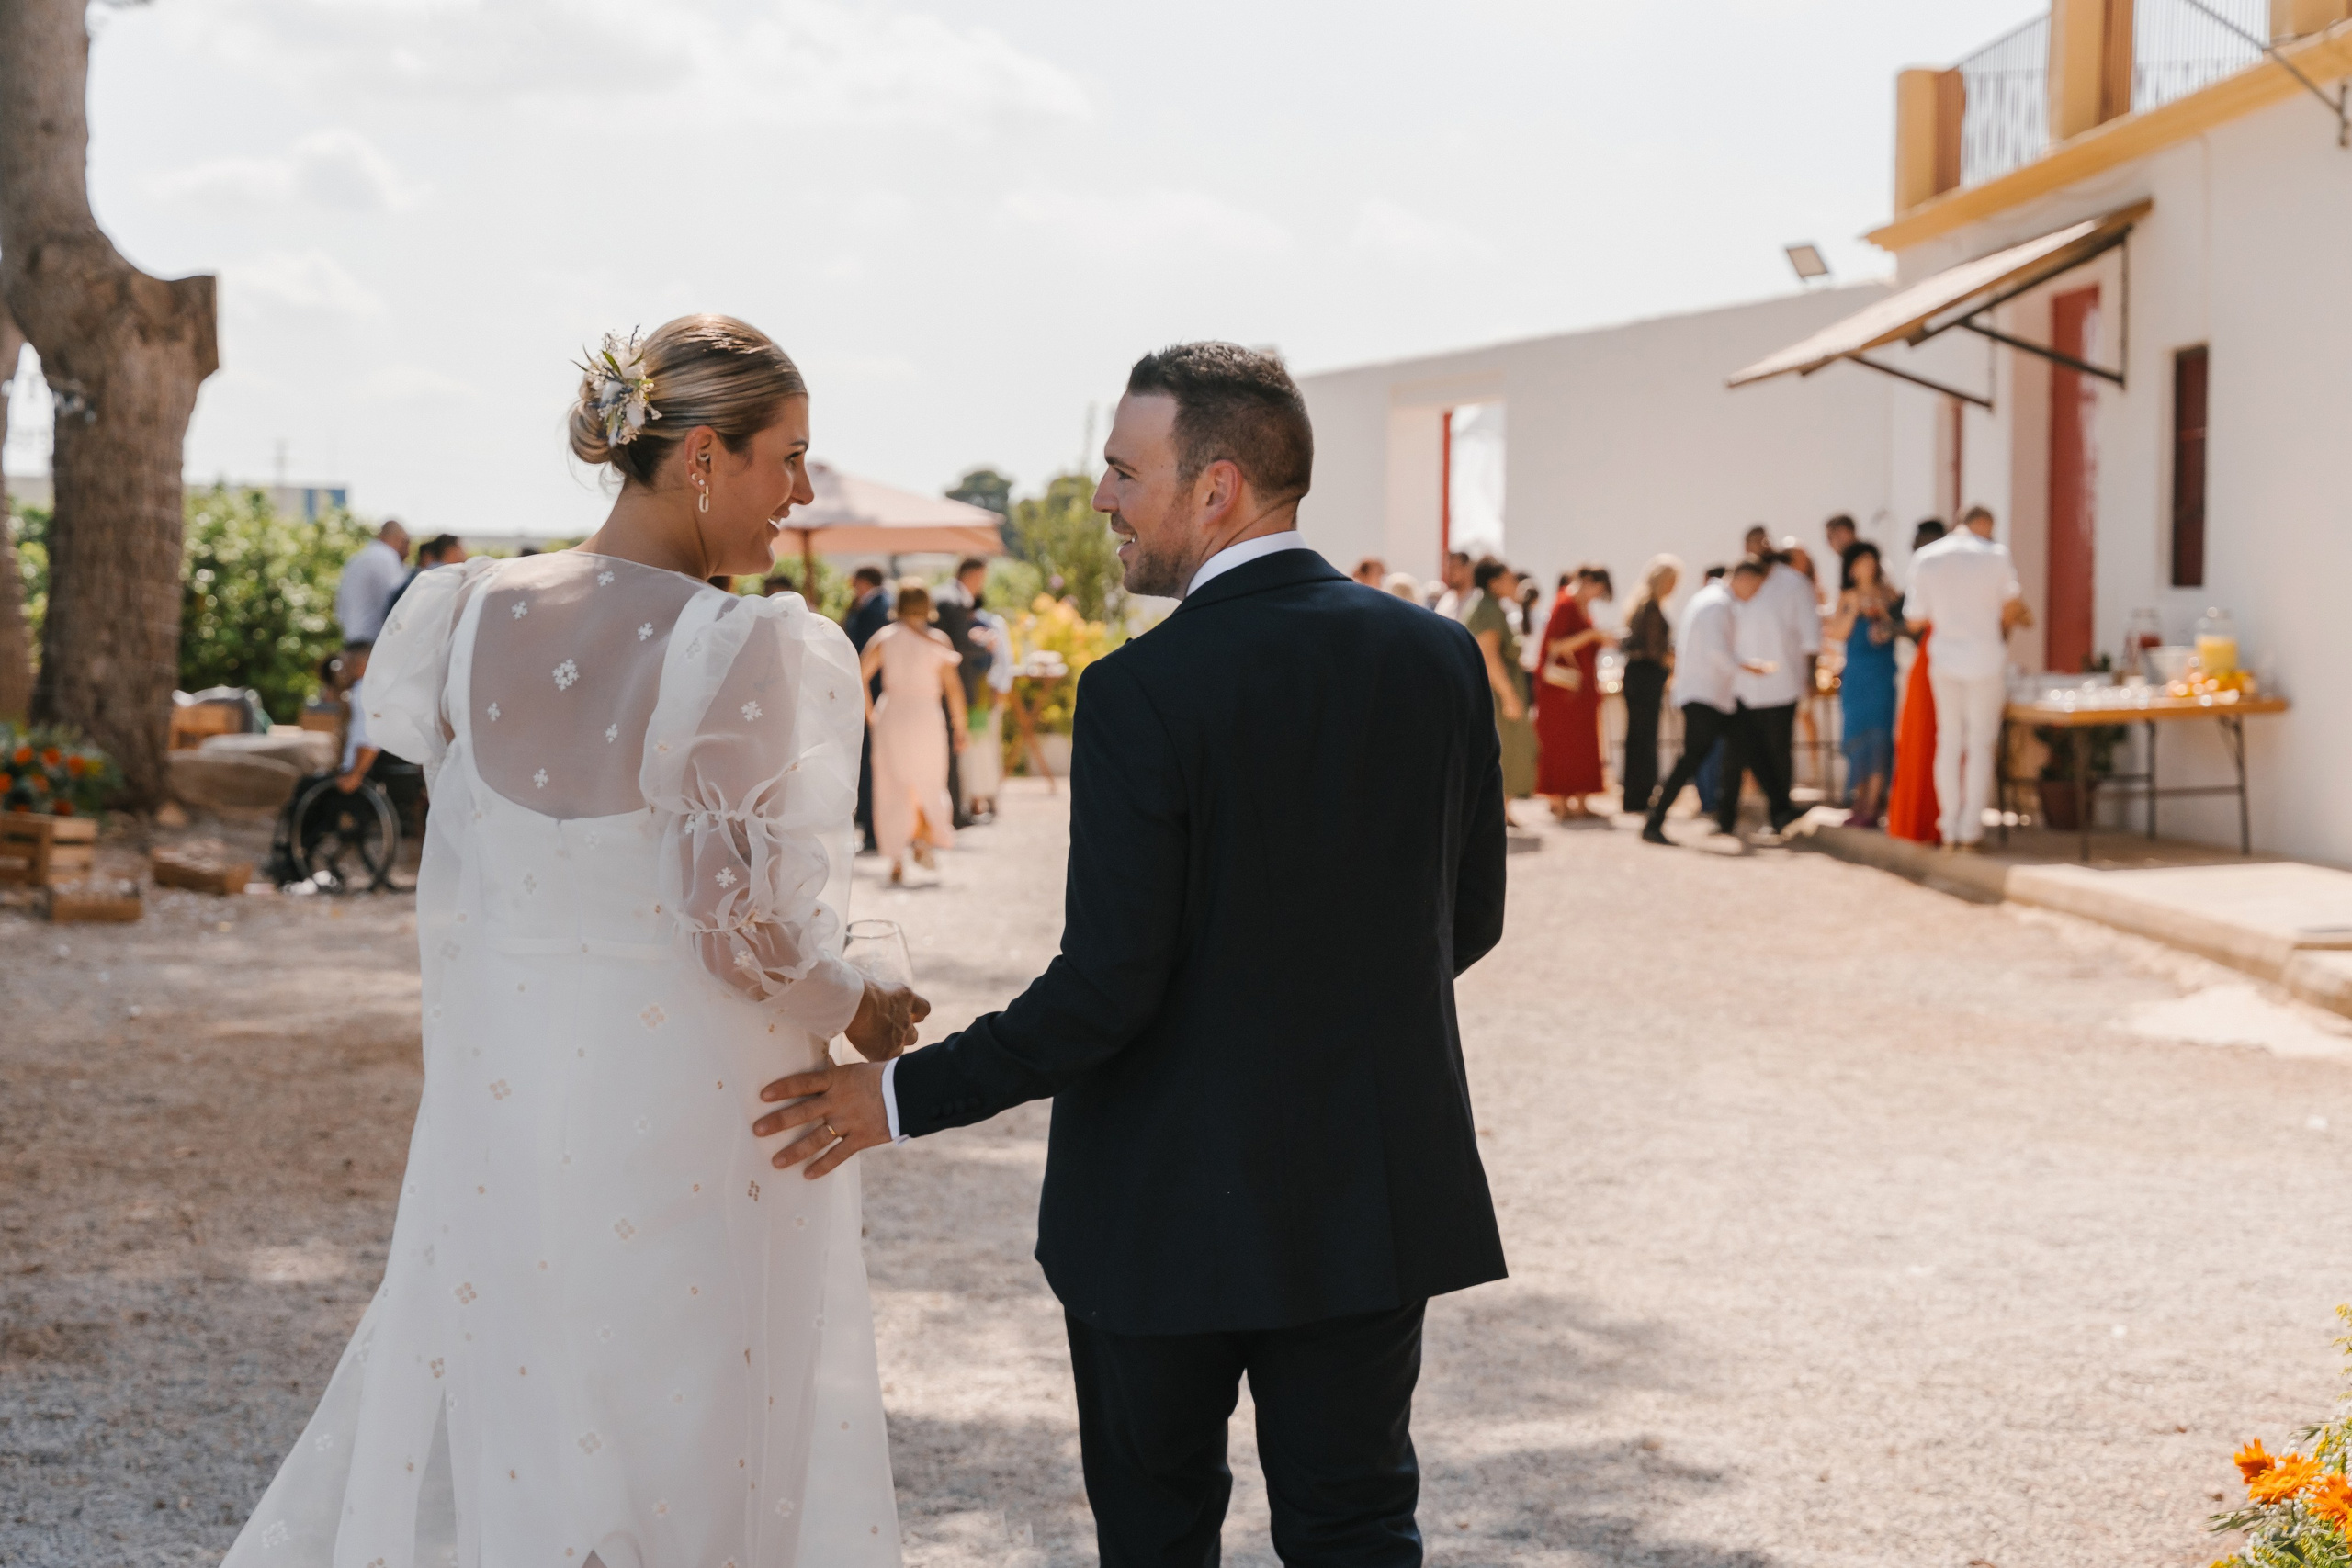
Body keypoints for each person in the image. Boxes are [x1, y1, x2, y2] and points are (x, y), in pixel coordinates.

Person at [756, 341, 1507, 1568]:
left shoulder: (1141, 690)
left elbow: (1109, 988)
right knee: (1359, 1524)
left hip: (1163, 1199)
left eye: (1121, 469)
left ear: (1215, 489)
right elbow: (1464, 917)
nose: (1102, 495)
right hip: (1368, 1182)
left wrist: (896, 1093)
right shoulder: (1436, 656)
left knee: (1159, 1533)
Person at [222, 315, 923, 1568]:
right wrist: (864, 996)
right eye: (790, 456)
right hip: (697, 1119)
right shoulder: (742, 644)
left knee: (529, 1430)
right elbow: (739, 931)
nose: (802, 492)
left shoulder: (463, 614)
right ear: (704, 454)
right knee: (691, 1440)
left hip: (509, 1115)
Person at [1905, 503, 2029, 852]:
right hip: (1986, 659)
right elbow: (2011, 608)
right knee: (1980, 744)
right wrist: (1996, 633)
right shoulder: (1996, 555)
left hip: (1944, 658)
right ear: (1982, 525)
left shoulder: (1927, 558)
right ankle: (1970, 828)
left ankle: (1948, 827)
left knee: (1949, 741)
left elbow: (1915, 618)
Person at [1643, 560, 1760, 843]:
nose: (1754, 594)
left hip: (1713, 696)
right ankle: (1655, 820)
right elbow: (1716, 651)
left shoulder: (1711, 600)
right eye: (1755, 587)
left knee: (1739, 746)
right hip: (1705, 696)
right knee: (1693, 757)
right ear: (1743, 579)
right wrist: (1747, 667)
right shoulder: (1716, 604)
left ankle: (1727, 818)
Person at [863, 580, 968, 885]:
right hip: (925, 715)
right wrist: (960, 727)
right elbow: (953, 690)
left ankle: (896, 855)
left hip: (892, 712)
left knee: (892, 784)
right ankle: (923, 839)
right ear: (927, 606)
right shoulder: (938, 641)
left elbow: (859, 675)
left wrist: (871, 715)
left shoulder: (884, 638)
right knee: (928, 780)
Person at [1724, 536, 1819, 834]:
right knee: (1739, 754)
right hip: (1741, 686)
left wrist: (1811, 677)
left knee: (1778, 751)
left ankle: (1780, 814)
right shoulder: (1735, 585)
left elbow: (1811, 635)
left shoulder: (1794, 585)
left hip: (1783, 683)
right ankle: (1732, 816)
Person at [1827, 541, 1899, 828]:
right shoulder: (1847, 596)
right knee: (1857, 735)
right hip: (1856, 674)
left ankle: (1873, 803)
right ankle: (1858, 800)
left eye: (1871, 560)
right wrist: (1853, 608)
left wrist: (1882, 614)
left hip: (1882, 672)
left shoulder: (1890, 595)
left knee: (1880, 736)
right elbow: (1837, 633)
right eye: (1861, 561)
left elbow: (1897, 628)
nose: (1866, 567)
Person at [1885, 519, 1948, 845]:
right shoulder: (1928, 576)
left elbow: (1911, 622)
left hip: (1935, 660)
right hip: (1925, 664)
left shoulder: (1929, 571)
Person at [1534, 565, 1612, 817]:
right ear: (1588, 582)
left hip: (1579, 690)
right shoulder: (1565, 605)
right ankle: (1560, 800)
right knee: (1562, 744)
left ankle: (1579, 800)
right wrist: (1591, 635)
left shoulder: (1579, 606)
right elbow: (1555, 645)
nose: (1595, 596)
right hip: (1561, 691)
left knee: (1582, 745)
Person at [1465, 556, 1536, 821]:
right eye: (1508, 578)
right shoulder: (1487, 609)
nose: (1514, 583)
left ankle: (1502, 810)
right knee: (1504, 750)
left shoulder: (1493, 607)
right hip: (1495, 693)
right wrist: (1509, 697)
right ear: (1494, 583)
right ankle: (1494, 811)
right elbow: (1489, 656)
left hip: (1499, 690)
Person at [932, 556, 993, 829]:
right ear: (972, 576)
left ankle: (953, 812)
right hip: (949, 687)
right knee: (952, 750)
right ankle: (953, 815)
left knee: (951, 750)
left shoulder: (945, 596)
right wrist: (983, 645)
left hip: (938, 686)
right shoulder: (953, 601)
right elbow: (957, 647)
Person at [1616, 555, 1679, 819]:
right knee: (1644, 737)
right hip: (1646, 678)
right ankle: (1641, 795)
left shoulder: (1641, 606)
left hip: (1637, 677)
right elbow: (1656, 650)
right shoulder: (1651, 609)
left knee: (1638, 737)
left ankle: (1635, 796)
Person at [842, 564, 891, 851]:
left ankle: (873, 830)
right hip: (875, 695)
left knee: (870, 765)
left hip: (869, 695)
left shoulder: (874, 609)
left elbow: (862, 655)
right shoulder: (880, 605)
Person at [334, 517, 409, 646]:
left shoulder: (356, 560)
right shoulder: (388, 559)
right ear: (399, 539)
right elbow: (398, 603)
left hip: (350, 641)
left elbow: (340, 606)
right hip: (373, 643)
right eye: (406, 542)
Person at [1432, 548, 1474, 621]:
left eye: (1454, 567)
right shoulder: (1446, 599)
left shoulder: (1476, 599)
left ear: (1467, 569)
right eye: (1448, 568)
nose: (1450, 573)